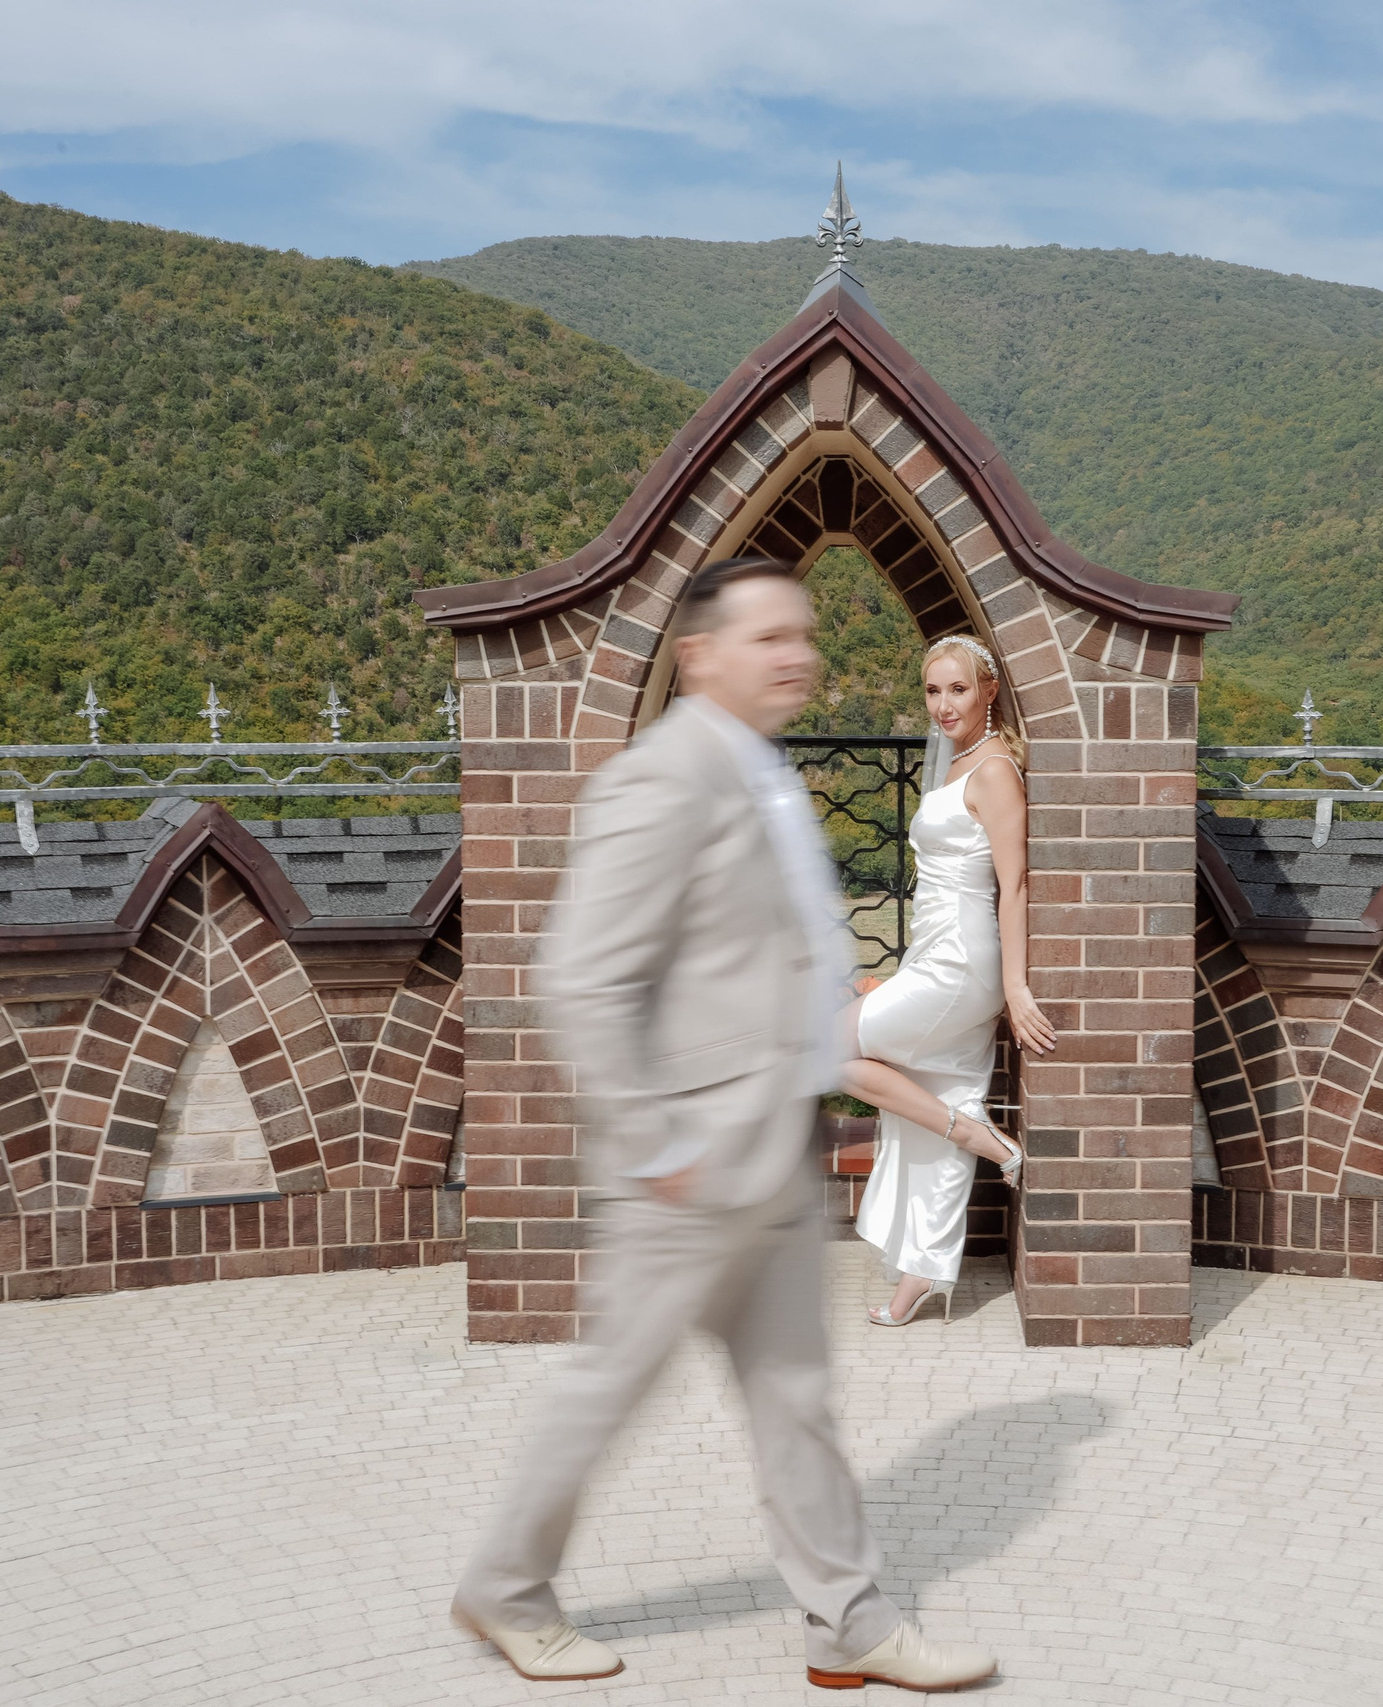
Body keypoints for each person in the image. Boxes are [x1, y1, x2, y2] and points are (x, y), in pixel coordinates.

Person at [451, 556, 997, 1693]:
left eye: (803, 634)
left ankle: (847, 1624)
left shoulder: (764, 773)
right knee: (611, 1385)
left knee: (796, 1400)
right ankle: (505, 1589)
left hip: (769, 1148)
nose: (799, 655)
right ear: (698, 654)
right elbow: (581, 980)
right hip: (688, 1167)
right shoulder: (659, 781)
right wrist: (657, 1148)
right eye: (769, 637)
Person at [843, 634, 1058, 1327]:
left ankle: (982, 1139)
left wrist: (1015, 988)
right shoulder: (958, 761)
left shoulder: (994, 771)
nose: (944, 704)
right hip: (933, 954)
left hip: (963, 961)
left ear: (989, 691)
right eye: (933, 690)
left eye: (958, 689)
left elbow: (1013, 885)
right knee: (934, 1094)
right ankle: (918, 1279)